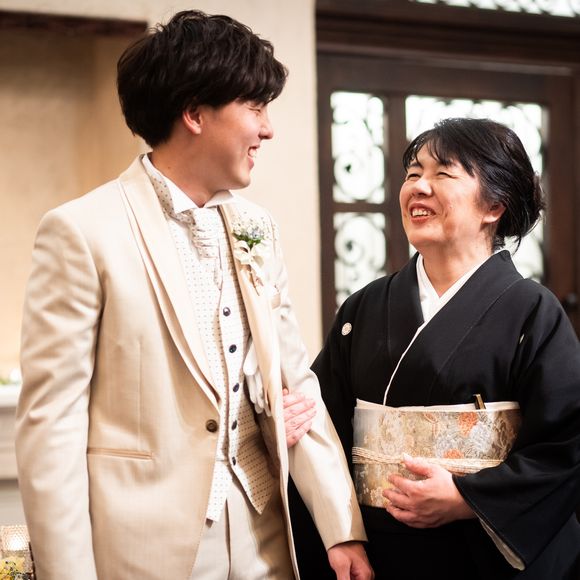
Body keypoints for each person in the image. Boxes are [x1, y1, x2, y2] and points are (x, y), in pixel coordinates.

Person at [15, 10, 373, 580]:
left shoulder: (258, 229)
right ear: (194, 113)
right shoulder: (82, 231)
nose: (268, 129)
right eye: (255, 107)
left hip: (263, 539)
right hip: (144, 552)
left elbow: (295, 387)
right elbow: (51, 427)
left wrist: (341, 528)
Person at [289, 117, 580, 579]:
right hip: (379, 552)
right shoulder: (364, 308)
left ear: (494, 206)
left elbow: (566, 442)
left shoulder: (533, 312)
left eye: (442, 174)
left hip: (479, 556)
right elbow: (323, 428)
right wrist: (341, 533)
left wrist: (467, 498)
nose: (418, 187)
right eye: (412, 174)